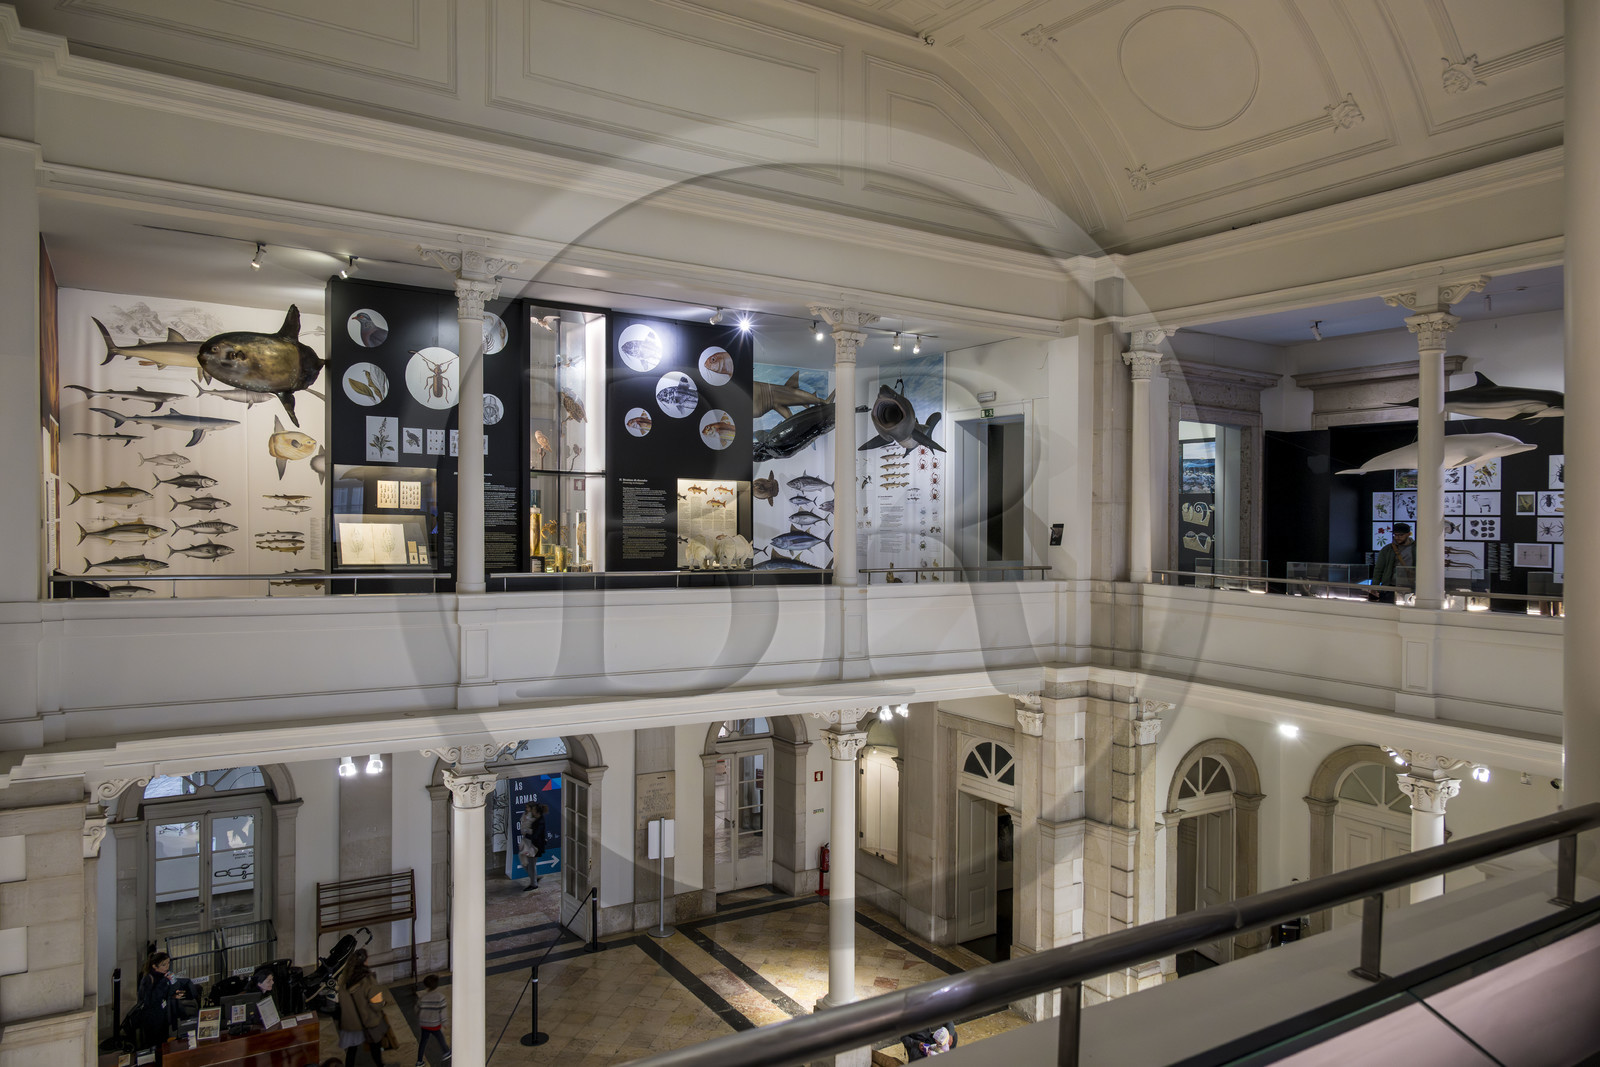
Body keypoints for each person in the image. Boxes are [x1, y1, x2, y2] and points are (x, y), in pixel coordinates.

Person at [336, 949, 388, 1067]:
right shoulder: (368, 980)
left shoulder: (345, 979)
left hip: (351, 1022)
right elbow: (376, 1004)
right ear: (365, 961)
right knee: (375, 1047)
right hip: (367, 1021)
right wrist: (382, 1003)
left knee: (352, 1050)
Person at [134, 950, 182, 1048]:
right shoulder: (148, 979)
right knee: (154, 1043)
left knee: (163, 1041)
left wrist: (173, 992)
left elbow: (168, 992)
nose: (167, 967)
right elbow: (150, 1000)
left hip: (162, 1015)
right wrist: (164, 982)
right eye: (163, 965)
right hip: (152, 1018)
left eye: (168, 963)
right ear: (154, 966)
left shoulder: (164, 976)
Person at [1371, 522, 1414, 603]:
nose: (1397, 537)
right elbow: (1379, 569)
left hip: (1410, 587)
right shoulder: (1387, 549)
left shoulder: (1416, 549)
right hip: (1390, 587)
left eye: (1401, 535)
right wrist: (1374, 586)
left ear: (1408, 534)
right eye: (1395, 535)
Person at [414, 974, 451, 1066]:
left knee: (423, 1041)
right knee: (440, 1037)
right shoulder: (440, 997)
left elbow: (416, 1009)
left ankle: (419, 1061)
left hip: (424, 1024)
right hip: (434, 1024)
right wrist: (445, 1022)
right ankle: (446, 1052)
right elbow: (443, 1012)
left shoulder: (422, 997)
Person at [518, 802, 548, 890]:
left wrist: (527, 833)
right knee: (527, 862)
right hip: (531, 844)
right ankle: (534, 878)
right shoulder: (537, 820)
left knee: (531, 864)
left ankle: (534, 883)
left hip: (534, 846)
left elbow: (535, 835)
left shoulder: (539, 822)